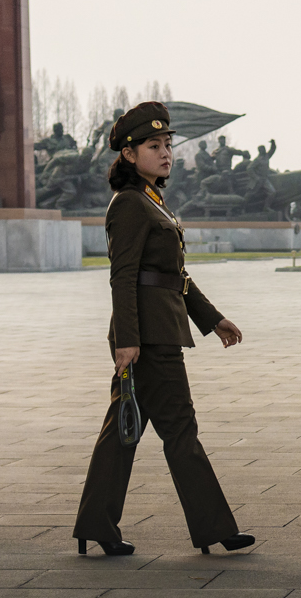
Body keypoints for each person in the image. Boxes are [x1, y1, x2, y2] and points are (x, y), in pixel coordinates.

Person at [72, 103, 256, 557]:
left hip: (159, 331)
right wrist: (127, 341)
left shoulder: (153, 202)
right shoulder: (130, 205)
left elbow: (178, 276)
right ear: (130, 155)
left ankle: (96, 524)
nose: (166, 152)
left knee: (122, 432)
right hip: (150, 339)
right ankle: (214, 528)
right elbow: (123, 275)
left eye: (168, 145)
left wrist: (213, 319)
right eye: (154, 146)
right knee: (180, 429)